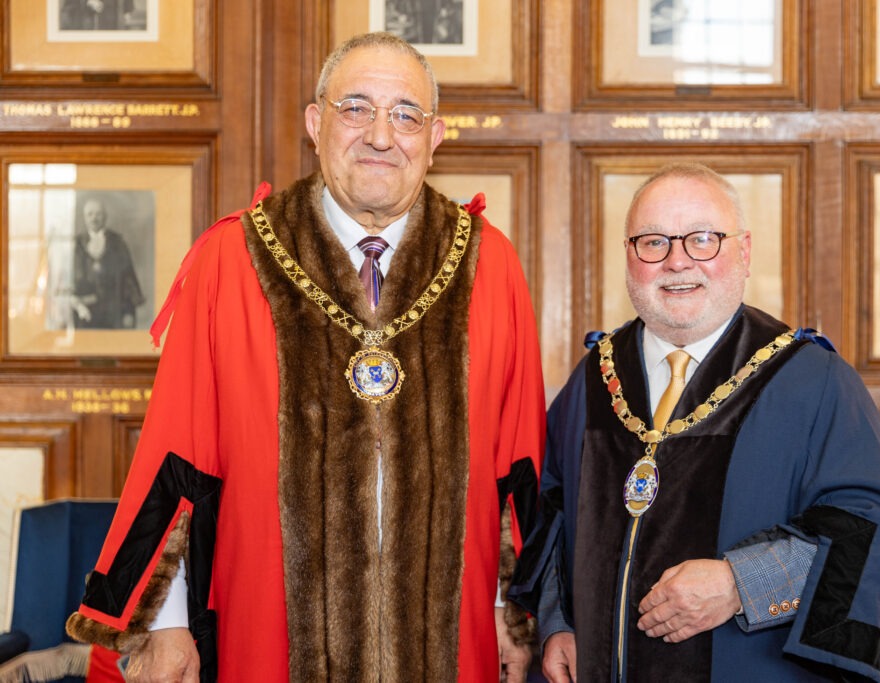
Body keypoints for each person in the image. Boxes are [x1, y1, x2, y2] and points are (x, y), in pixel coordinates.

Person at [65, 31, 546, 683]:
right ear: (316, 124)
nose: (381, 135)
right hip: (272, 631)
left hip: (446, 632)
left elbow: (512, 463)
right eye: (356, 108)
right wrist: (167, 621)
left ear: (435, 138)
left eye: (406, 114)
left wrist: (506, 610)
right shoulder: (233, 260)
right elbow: (177, 453)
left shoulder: (491, 265)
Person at [509, 162, 880, 682]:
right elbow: (551, 515)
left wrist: (740, 584)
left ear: (743, 252)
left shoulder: (812, 381)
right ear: (630, 257)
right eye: (653, 242)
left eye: (703, 240)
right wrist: (558, 623)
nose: (678, 262)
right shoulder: (595, 379)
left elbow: (870, 528)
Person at [70, 196, 145, 330]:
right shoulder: (76, 244)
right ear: (84, 217)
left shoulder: (117, 243)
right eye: (90, 214)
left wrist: (128, 312)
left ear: (105, 217)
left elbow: (128, 278)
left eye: (98, 214)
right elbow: (69, 279)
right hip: (84, 313)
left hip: (113, 311)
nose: (94, 218)